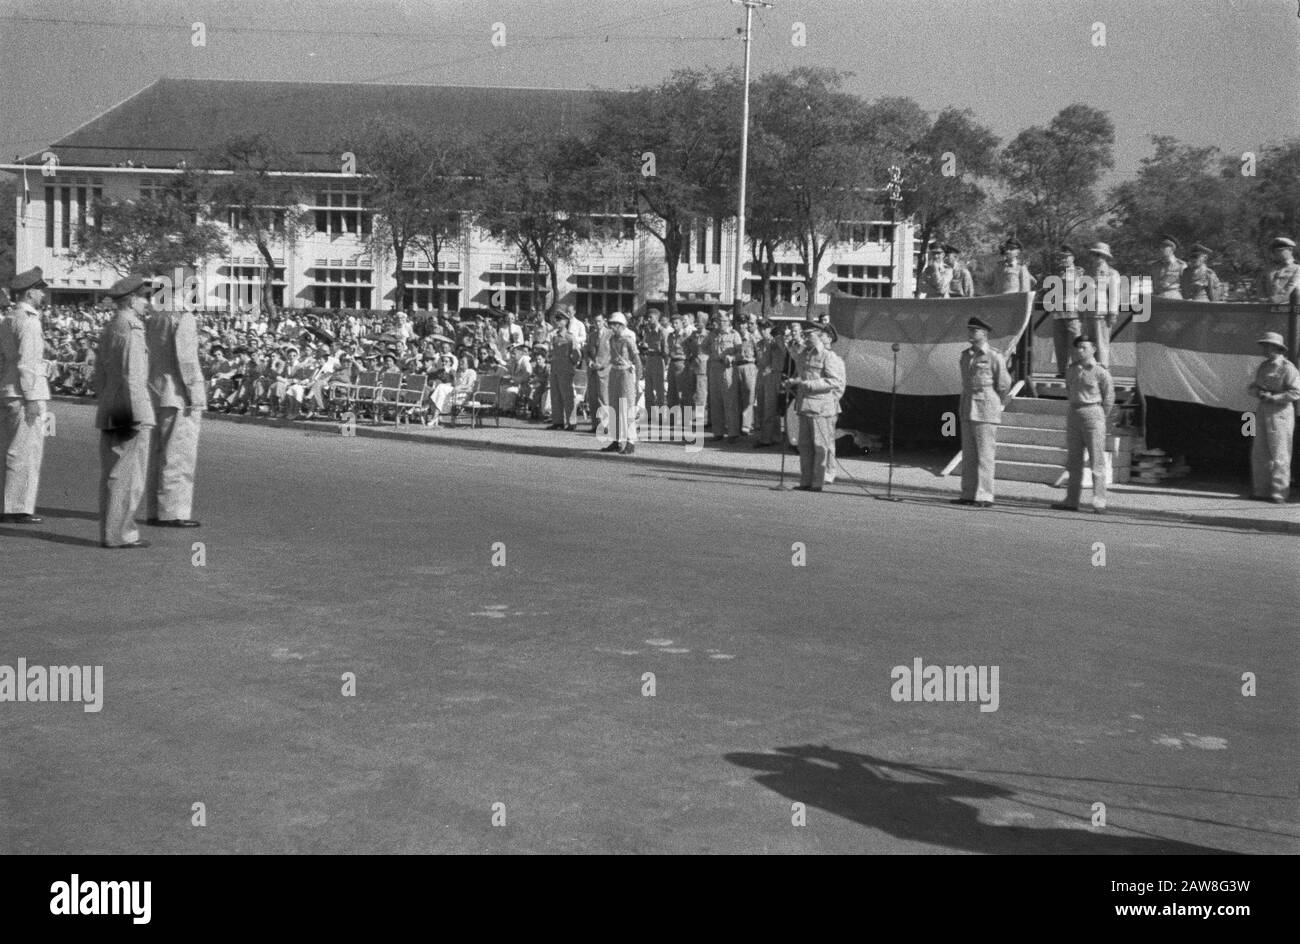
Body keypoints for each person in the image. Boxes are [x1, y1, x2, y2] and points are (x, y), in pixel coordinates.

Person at [93, 275, 156, 549]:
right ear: (131, 300)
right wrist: (136, 414)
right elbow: (133, 375)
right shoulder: (132, 327)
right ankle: (119, 533)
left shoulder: (111, 326)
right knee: (127, 475)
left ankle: (111, 532)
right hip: (129, 408)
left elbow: (99, 373)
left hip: (111, 405)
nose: (147, 303)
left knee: (113, 472)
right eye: (144, 298)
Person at [144, 294, 206, 528]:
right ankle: (172, 512)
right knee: (178, 455)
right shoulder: (182, 316)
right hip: (178, 392)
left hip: (157, 389)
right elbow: (187, 359)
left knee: (159, 453)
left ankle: (155, 510)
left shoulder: (156, 316)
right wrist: (194, 391)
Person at [0, 267, 51, 524]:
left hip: (9, 389)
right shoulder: (29, 321)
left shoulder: (9, 318)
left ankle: (12, 504)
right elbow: (28, 363)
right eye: (40, 291)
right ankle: (17, 507)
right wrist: (31, 398)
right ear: (30, 293)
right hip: (24, 393)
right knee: (25, 451)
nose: (43, 295)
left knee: (14, 448)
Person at [1051, 337, 1115, 514]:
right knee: (1074, 461)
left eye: (1084, 347)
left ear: (1093, 349)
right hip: (1074, 412)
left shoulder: (1100, 371)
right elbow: (1068, 390)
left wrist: (1100, 416)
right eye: (1077, 348)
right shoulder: (1071, 370)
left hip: (1093, 413)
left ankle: (1099, 501)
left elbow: (1109, 397)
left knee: (1096, 460)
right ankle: (1071, 500)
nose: (1080, 351)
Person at [953, 316, 1011, 507]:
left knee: (985, 455)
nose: (970, 333)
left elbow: (1003, 384)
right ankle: (968, 493)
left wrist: (995, 402)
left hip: (985, 408)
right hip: (968, 406)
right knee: (969, 455)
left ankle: (985, 495)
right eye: (969, 330)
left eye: (974, 330)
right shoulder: (966, 355)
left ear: (984, 334)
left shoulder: (994, 355)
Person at [787, 323, 845, 491]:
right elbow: (801, 373)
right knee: (804, 446)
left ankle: (818, 482)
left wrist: (811, 385)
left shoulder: (828, 356)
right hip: (804, 406)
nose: (805, 338)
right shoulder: (804, 355)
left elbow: (835, 381)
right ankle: (805, 481)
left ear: (819, 336)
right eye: (804, 335)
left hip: (820, 408)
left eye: (809, 335)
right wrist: (794, 382)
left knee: (820, 446)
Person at [1247, 331, 1300, 503]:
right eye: (1264, 346)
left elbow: (1296, 392)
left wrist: (1275, 398)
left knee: (1280, 454)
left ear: (1277, 348)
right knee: (1260, 452)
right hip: (1263, 410)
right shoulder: (1264, 367)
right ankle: (1261, 490)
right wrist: (1259, 393)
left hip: (1280, 413)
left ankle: (1279, 493)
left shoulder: (1287, 368)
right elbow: (1253, 387)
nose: (1264, 349)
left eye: (1267, 346)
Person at [604, 312, 641, 455]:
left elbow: (637, 360)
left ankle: (631, 441)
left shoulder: (628, 340)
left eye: (614, 324)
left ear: (621, 325)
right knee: (614, 406)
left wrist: (637, 380)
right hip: (614, 372)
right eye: (611, 324)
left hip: (626, 374)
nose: (612, 327)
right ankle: (616, 440)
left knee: (627, 408)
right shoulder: (611, 340)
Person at [1083, 242, 1121, 368]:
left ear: (1104, 257)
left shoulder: (1111, 273)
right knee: (1089, 343)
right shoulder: (1088, 272)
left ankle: (1103, 368)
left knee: (1101, 342)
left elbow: (1114, 295)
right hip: (1088, 312)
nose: (1095, 257)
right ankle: (1091, 368)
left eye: (1098, 254)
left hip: (1102, 314)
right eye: (1093, 254)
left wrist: (1113, 313)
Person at [706, 311, 742, 442]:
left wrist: (732, 357)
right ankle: (718, 432)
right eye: (719, 321)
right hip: (714, 368)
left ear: (729, 322)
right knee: (715, 401)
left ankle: (733, 433)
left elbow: (741, 353)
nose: (721, 323)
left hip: (728, 369)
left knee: (730, 401)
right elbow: (703, 347)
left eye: (724, 321)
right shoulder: (712, 335)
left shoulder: (734, 334)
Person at [1051, 245, 1084, 378]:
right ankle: (1062, 371)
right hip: (1058, 312)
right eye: (1061, 258)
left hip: (1073, 312)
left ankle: (1077, 370)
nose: (1063, 260)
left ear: (1073, 258)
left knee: (1076, 343)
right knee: (1060, 344)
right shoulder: (1058, 273)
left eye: (1066, 257)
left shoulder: (1078, 273)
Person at [546, 311, 581, 430]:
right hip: (555, 368)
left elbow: (577, 354)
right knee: (555, 395)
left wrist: (570, 364)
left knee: (567, 396)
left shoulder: (570, 337)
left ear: (566, 321)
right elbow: (552, 352)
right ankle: (558, 421)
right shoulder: (555, 337)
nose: (557, 321)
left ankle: (572, 422)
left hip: (565, 369)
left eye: (559, 319)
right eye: (556, 319)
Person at [583, 314, 611, 433]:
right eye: (595, 321)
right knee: (593, 398)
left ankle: (606, 425)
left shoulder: (610, 334)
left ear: (604, 321)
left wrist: (603, 364)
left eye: (599, 321)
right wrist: (589, 362)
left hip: (605, 370)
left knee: (604, 399)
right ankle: (595, 425)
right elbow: (587, 352)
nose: (597, 323)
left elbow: (612, 353)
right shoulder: (591, 336)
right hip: (593, 371)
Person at [1257, 236, 1300, 304]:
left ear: (1290, 250)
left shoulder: (1297, 268)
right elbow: (1261, 285)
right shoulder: (1269, 269)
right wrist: (1263, 299)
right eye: (1274, 251)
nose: (1276, 253)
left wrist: (1275, 300)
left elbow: (1291, 287)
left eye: (1280, 250)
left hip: (1289, 306)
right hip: (1267, 305)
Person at [642, 309, 668, 414]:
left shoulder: (662, 332)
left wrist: (666, 365)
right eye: (647, 317)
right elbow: (644, 344)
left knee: (659, 390)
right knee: (648, 389)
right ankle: (649, 414)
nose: (648, 319)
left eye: (650, 317)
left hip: (658, 360)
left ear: (657, 317)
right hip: (649, 360)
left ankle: (661, 415)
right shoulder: (647, 331)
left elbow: (665, 351)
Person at [1150, 234, 1186, 299]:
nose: (1161, 249)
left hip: (1174, 299)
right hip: (1157, 298)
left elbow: (1187, 286)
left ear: (1172, 249)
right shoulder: (1154, 265)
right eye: (1160, 247)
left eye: (1164, 247)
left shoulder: (1181, 265)